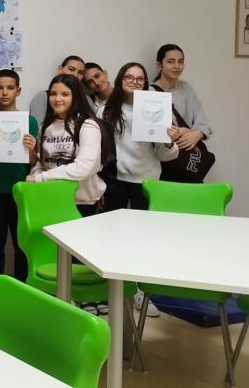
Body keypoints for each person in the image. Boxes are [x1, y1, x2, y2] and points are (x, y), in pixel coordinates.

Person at [98, 62, 179, 319]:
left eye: (140, 78)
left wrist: (169, 141)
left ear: (145, 82)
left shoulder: (158, 108)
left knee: (144, 240)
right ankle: (112, 291)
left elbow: (166, 154)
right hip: (116, 180)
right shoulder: (106, 110)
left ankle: (142, 292)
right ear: (120, 80)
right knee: (113, 238)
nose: (134, 82)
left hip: (147, 181)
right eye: (129, 77)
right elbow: (99, 150)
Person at [0, 69, 37, 314]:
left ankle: (20, 292)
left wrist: (32, 149)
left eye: (10, 87)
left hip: (21, 192)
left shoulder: (29, 121)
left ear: (18, 91)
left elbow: (34, 162)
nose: (4, 92)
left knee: (21, 245)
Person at [27, 74, 114, 218]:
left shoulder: (87, 125)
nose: (57, 99)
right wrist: (35, 175)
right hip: (50, 197)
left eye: (65, 94)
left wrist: (40, 178)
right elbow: (43, 162)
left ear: (76, 97)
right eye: (53, 94)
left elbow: (84, 167)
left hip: (81, 203)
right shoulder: (46, 127)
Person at [151, 44, 212, 159]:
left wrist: (197, 133)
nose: (177, 66)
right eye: (171, 61)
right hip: (164, 157)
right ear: (159, 65)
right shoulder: (150, 93)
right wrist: (182, 131)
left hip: (190, 156)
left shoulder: (186, 88)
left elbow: (203, 124)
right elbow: (153, 132)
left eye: (180, 62)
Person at [28, 55, 85, 123]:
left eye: (80, 72)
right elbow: (37, 126)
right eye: (71, 69)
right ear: (60, 69)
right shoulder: (43, 96)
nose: (75, 75)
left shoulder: (86, 99)